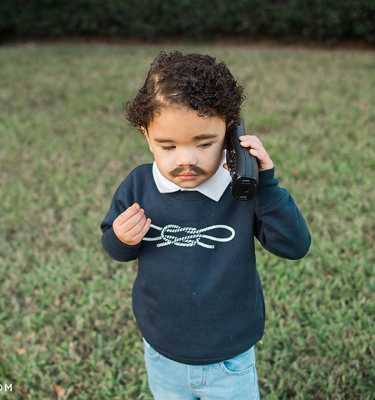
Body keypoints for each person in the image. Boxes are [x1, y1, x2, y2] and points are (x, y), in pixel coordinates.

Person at [100, 51, 311, 399]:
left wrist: (265, 185)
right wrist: (122, 238)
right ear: (145, 134)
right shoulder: (138, 185)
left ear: (230, 133)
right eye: (167, 146)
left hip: (231, 357)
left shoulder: (242, 191)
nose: (186, 159)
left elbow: (294, 246)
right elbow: (114, 247)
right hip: (161, 351)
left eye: (205, 143)